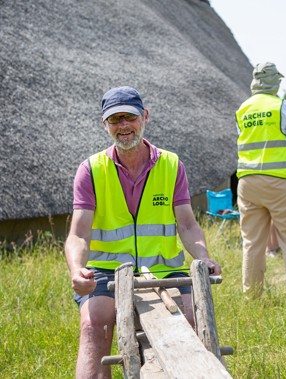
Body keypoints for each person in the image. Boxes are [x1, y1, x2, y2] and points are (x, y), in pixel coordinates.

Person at [64, 86, 222, 379]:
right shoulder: (90, 170)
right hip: (107, 271)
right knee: (93, 325)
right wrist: (76, 270)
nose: (123, 126)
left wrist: (204, 256)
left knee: (188, 318)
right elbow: (78, 234)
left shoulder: (172, 165)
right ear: (105, 124)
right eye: (115, 119)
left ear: (145, 117)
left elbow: (187, 225)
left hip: (163, 271)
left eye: (130, 117)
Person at [235, 62, 286, 298]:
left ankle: (251, 298)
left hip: (247, 182)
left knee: (253, 243)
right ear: (275, 81)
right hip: (280, 181)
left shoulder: (243, 109)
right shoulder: (281, 106)